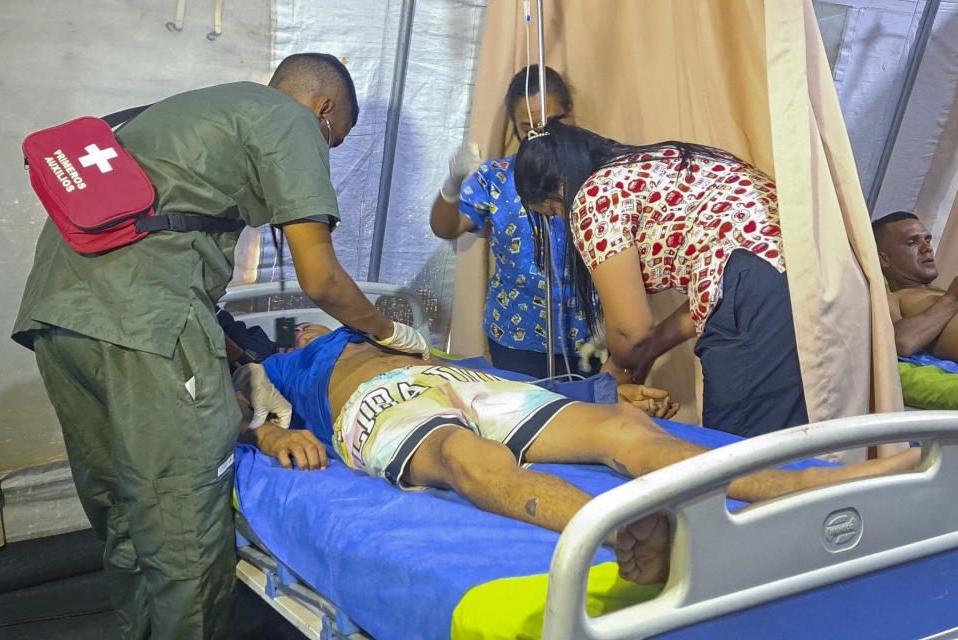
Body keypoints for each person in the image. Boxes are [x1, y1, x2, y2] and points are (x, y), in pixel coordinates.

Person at [12, 53, 429, 639]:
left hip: (59, 317)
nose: (327, 150)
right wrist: (390, 333)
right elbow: (321, 280)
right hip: (145, 323)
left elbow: (166, 236)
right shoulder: (291, 119)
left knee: (126, 516)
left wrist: (240, 361)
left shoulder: (195, 112)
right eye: (336, 139)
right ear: (324, 108)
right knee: (186, 532)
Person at [244, 322, 919, 586]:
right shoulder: (284, 360)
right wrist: (272, 434)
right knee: (461, 459)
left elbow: (486, 364)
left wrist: (611, 389)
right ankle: (629, 534)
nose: (315, 321)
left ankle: (812, 481)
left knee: (621, 429)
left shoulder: (392, 330)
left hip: (465, 380)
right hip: (380, 407)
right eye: (306, 319)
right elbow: (245, 414)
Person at [512, 121, 807, 438]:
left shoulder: (592, 196)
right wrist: (645, 353)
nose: (561, 219)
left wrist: (607, 384)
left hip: (753, 296)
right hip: (802, 277)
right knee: (782, 447)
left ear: (557, 189)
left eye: (552, 212)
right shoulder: (659, 162)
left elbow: (632, 333)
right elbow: (711, 293)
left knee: (738, 455)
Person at [430, 66, 600, 378]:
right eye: (528, 128)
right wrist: (453, 181)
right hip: (516, 336)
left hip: (589, 338)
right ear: (515, 128)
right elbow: (446, 228)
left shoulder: (599, 172)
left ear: (571, 114)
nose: (542, 137)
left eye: (553, 123)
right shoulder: (497, 178)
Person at [873, 211, 958, 362]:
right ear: (883, 260)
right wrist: (952, 300)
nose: (928, 248)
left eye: (928, 240)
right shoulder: (891, 299)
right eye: (912, 242)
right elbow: (900, 342)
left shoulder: (941, 293)